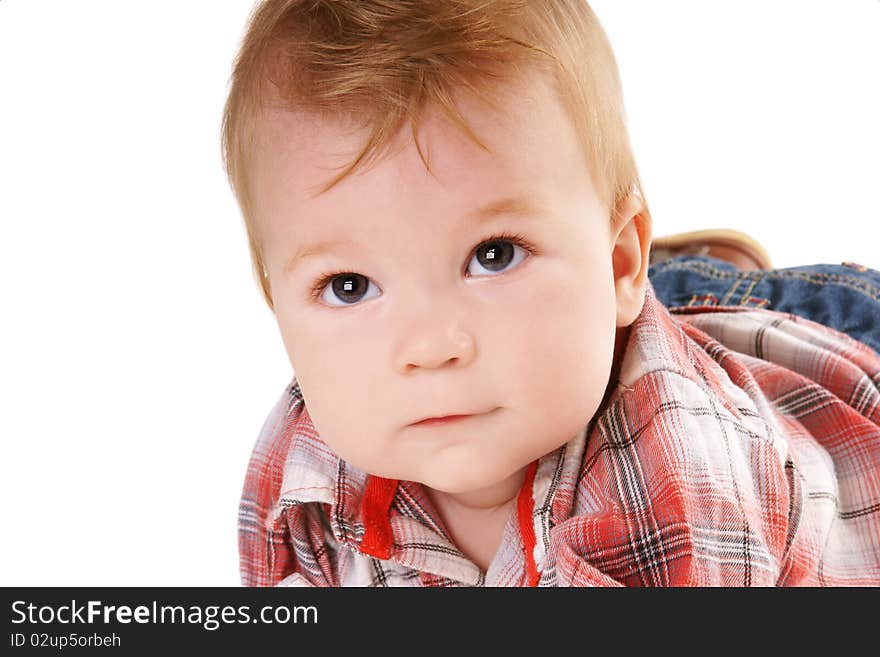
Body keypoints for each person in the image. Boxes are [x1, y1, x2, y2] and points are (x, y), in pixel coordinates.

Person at [223, 0, 880, 586]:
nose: (427, 346)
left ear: (623, 262)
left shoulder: (677, 487)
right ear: (275, 298)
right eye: (350, 285)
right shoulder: (309, 454)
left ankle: (692, 278)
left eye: (493, 254)